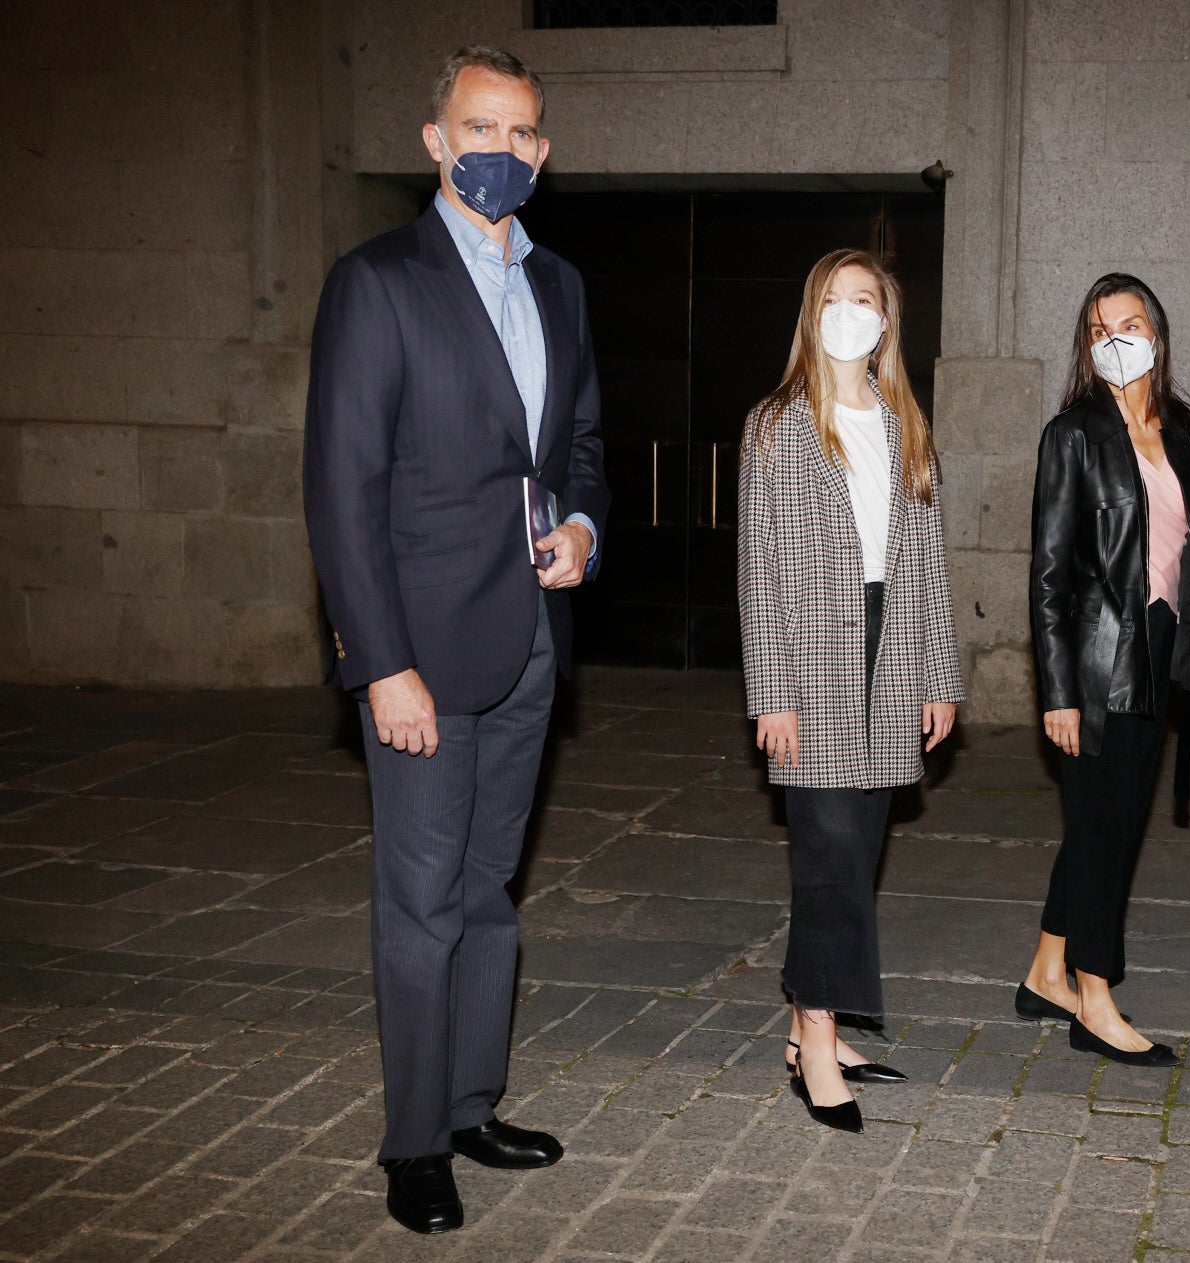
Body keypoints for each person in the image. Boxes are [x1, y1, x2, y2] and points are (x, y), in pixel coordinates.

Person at [302, 46, 609, 1234]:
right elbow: (342, 487)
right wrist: (381, 664)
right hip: (423, 653)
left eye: (524, 133)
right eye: (480, 127)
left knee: (490, 891)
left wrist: (582, 529)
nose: (503, 149)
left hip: (533, 636)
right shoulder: (376, 282)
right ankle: (415, 1142)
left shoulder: (563, 286)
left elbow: (578, 447)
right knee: (421, 903)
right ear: (435, 138)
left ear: (542, 149)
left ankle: (474, 1103)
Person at [737, 248, 964, 1134]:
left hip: (892, 643)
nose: (848, 313)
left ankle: (805, 1023)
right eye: (831, 298)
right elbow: (758, 572)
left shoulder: (905, 419)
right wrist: (772, 692)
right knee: (828, 856)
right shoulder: (777, 422)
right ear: (810, 312)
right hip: (812, 655)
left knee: (857, 852)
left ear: (886, 317)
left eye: (863, 300)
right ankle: (821, 1046)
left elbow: (930, 563)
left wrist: (939, 673)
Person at [1021, 274, 1190, 1067]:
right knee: (1108, 829)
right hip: (1098, 655)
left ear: (1157, 334)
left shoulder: (1178, 426)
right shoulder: (1071, 433)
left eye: (1130, 323)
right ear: (1087, 345)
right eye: (1100, 328)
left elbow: (1178, 537)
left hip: (1162, 642)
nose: (1116, 338)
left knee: (1101, 820)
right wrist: (1059, 693)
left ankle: (1048, 968)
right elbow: (1048, 574)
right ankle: (1095, 997)